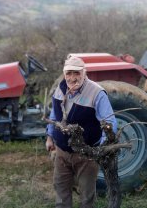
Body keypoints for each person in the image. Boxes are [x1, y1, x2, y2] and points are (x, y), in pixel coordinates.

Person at [45, 55, 117, 208]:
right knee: (61, 191)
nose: (72, 78)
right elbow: (54, 115)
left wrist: (101, 147)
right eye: (69, 73)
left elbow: (110, 121)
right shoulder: (60, 88)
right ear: (64, 74)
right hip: (62, 152)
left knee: (86, 196)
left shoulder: (96, 93)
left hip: (86, 155)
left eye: (77, 73)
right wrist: (50, 137)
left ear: (84, 73)